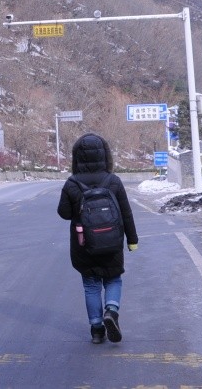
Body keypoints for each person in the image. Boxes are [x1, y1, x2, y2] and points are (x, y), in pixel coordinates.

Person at [57, 133, 139, 345]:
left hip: (84, 244)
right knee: (113, 278)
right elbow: (126, 213)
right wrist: (132, 240)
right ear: (105, 155)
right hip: (112, 242)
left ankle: (96, 329)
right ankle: (111, 310)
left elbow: (64, 213)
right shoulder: (113, 181)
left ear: (77, 157)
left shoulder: (72, 183)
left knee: (91, 284)